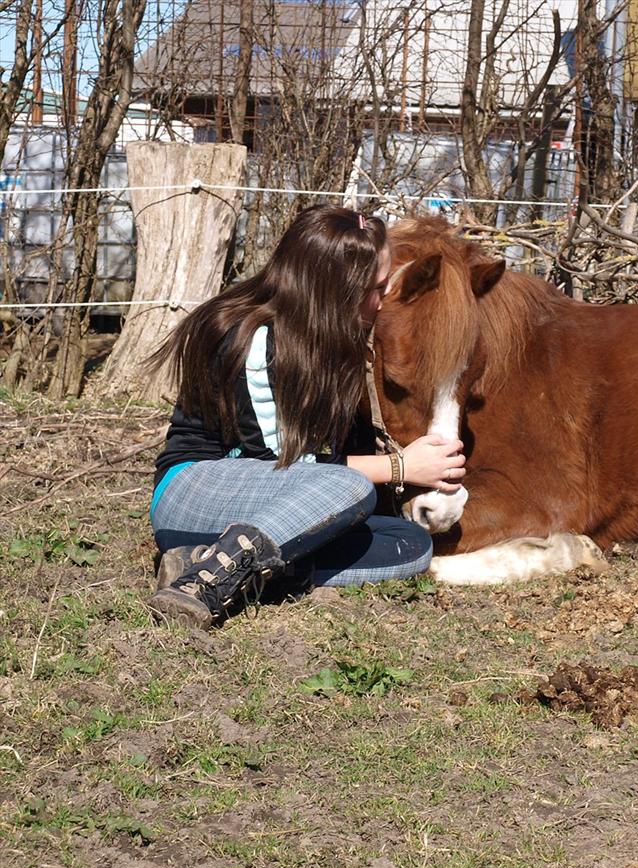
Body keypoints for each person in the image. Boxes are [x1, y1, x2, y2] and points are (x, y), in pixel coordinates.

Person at [144, 205, 465, 629]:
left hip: (276, 509)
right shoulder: (251, 337)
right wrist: (402, 466)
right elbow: (283, 463)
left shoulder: (326, 338)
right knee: (351, 488)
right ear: (340, 290)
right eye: (378, 286)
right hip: (196, 491)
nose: (384, 297)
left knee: (410, 544)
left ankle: (211, 566)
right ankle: (201, 589)